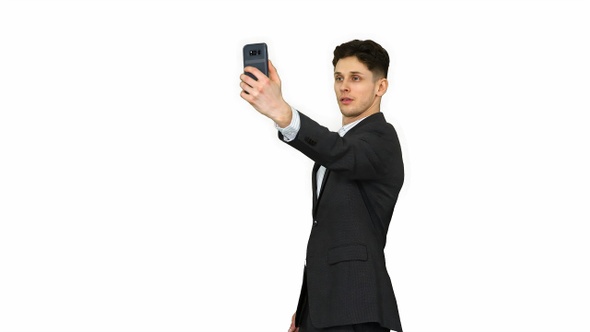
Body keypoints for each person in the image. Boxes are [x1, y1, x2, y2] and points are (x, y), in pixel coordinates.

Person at [239, 39, 404, 332]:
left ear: (380, 87)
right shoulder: (341, 145)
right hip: (324, 310)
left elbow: (339, 152)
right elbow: (328, 235)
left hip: (356, 309)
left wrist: (284, 114)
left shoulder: (382, 139)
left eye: (356, 78)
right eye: (339, 78)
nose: (344, 87)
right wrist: (306, 311)